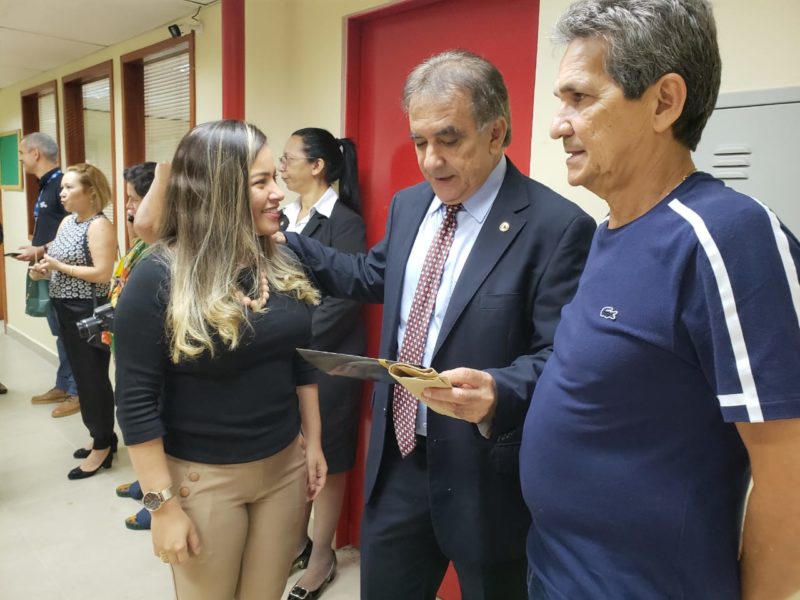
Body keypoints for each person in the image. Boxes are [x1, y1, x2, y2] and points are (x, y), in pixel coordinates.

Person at [279, 50, 595, 599]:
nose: (430, 160)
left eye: (448, 140)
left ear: (496, 133)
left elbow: (561, 356)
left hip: (487, 476)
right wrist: (282, 241)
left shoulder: (556, 227)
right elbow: (370, 275)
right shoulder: (410, 206)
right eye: (419, 142)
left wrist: (500, 389)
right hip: (399, 462)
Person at [520, 1, 800, 598]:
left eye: (579, 98)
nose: (557, 125)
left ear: (664, 102)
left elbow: (790, 470)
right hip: (558, 574)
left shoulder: (726, 235)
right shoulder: (610, 232)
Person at [114, 120, 327, 600]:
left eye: (275, 178)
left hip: (284, 470)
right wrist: (162, 507)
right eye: (260, 182)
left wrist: (312, 442)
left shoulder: (279, 261)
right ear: (219, 191)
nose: (278, 193)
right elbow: (135, 401)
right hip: (203, 480)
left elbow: (300, 360)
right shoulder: (159, 277)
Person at [279, 128, 367, 600]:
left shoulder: (344, 222)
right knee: (295, 454)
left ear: (316, 166)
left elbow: (345, 298)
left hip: (330, 361)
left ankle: (322, 555)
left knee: (327, 459)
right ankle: (297, 541)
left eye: (288, 158)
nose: (281, 167)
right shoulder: (283, 216)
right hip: (287, 358)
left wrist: (293, 337)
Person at [30, 163, 117, 479]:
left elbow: (102, 274)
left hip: (87, 311)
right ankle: (102, 437)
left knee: (93, 380)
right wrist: (43, 270)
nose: (62, 193)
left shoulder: (100, 226)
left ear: (90, 191)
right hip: (64, 308)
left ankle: (102, 446)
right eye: (62, 187)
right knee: (82, 378)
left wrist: (59, 267)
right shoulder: (67, 222)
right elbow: (59, 261)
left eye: (69, 187)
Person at [16, 132, 79, 417]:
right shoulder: (46, 186)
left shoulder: (61, 185)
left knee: (70, 334)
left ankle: (77, 392)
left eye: (21, 153)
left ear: (36, 153)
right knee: (60, 333)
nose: (20, 159)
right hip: (48, 272)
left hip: (66, 274)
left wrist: (39, 249)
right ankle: (63, 385)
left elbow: (73, 230)